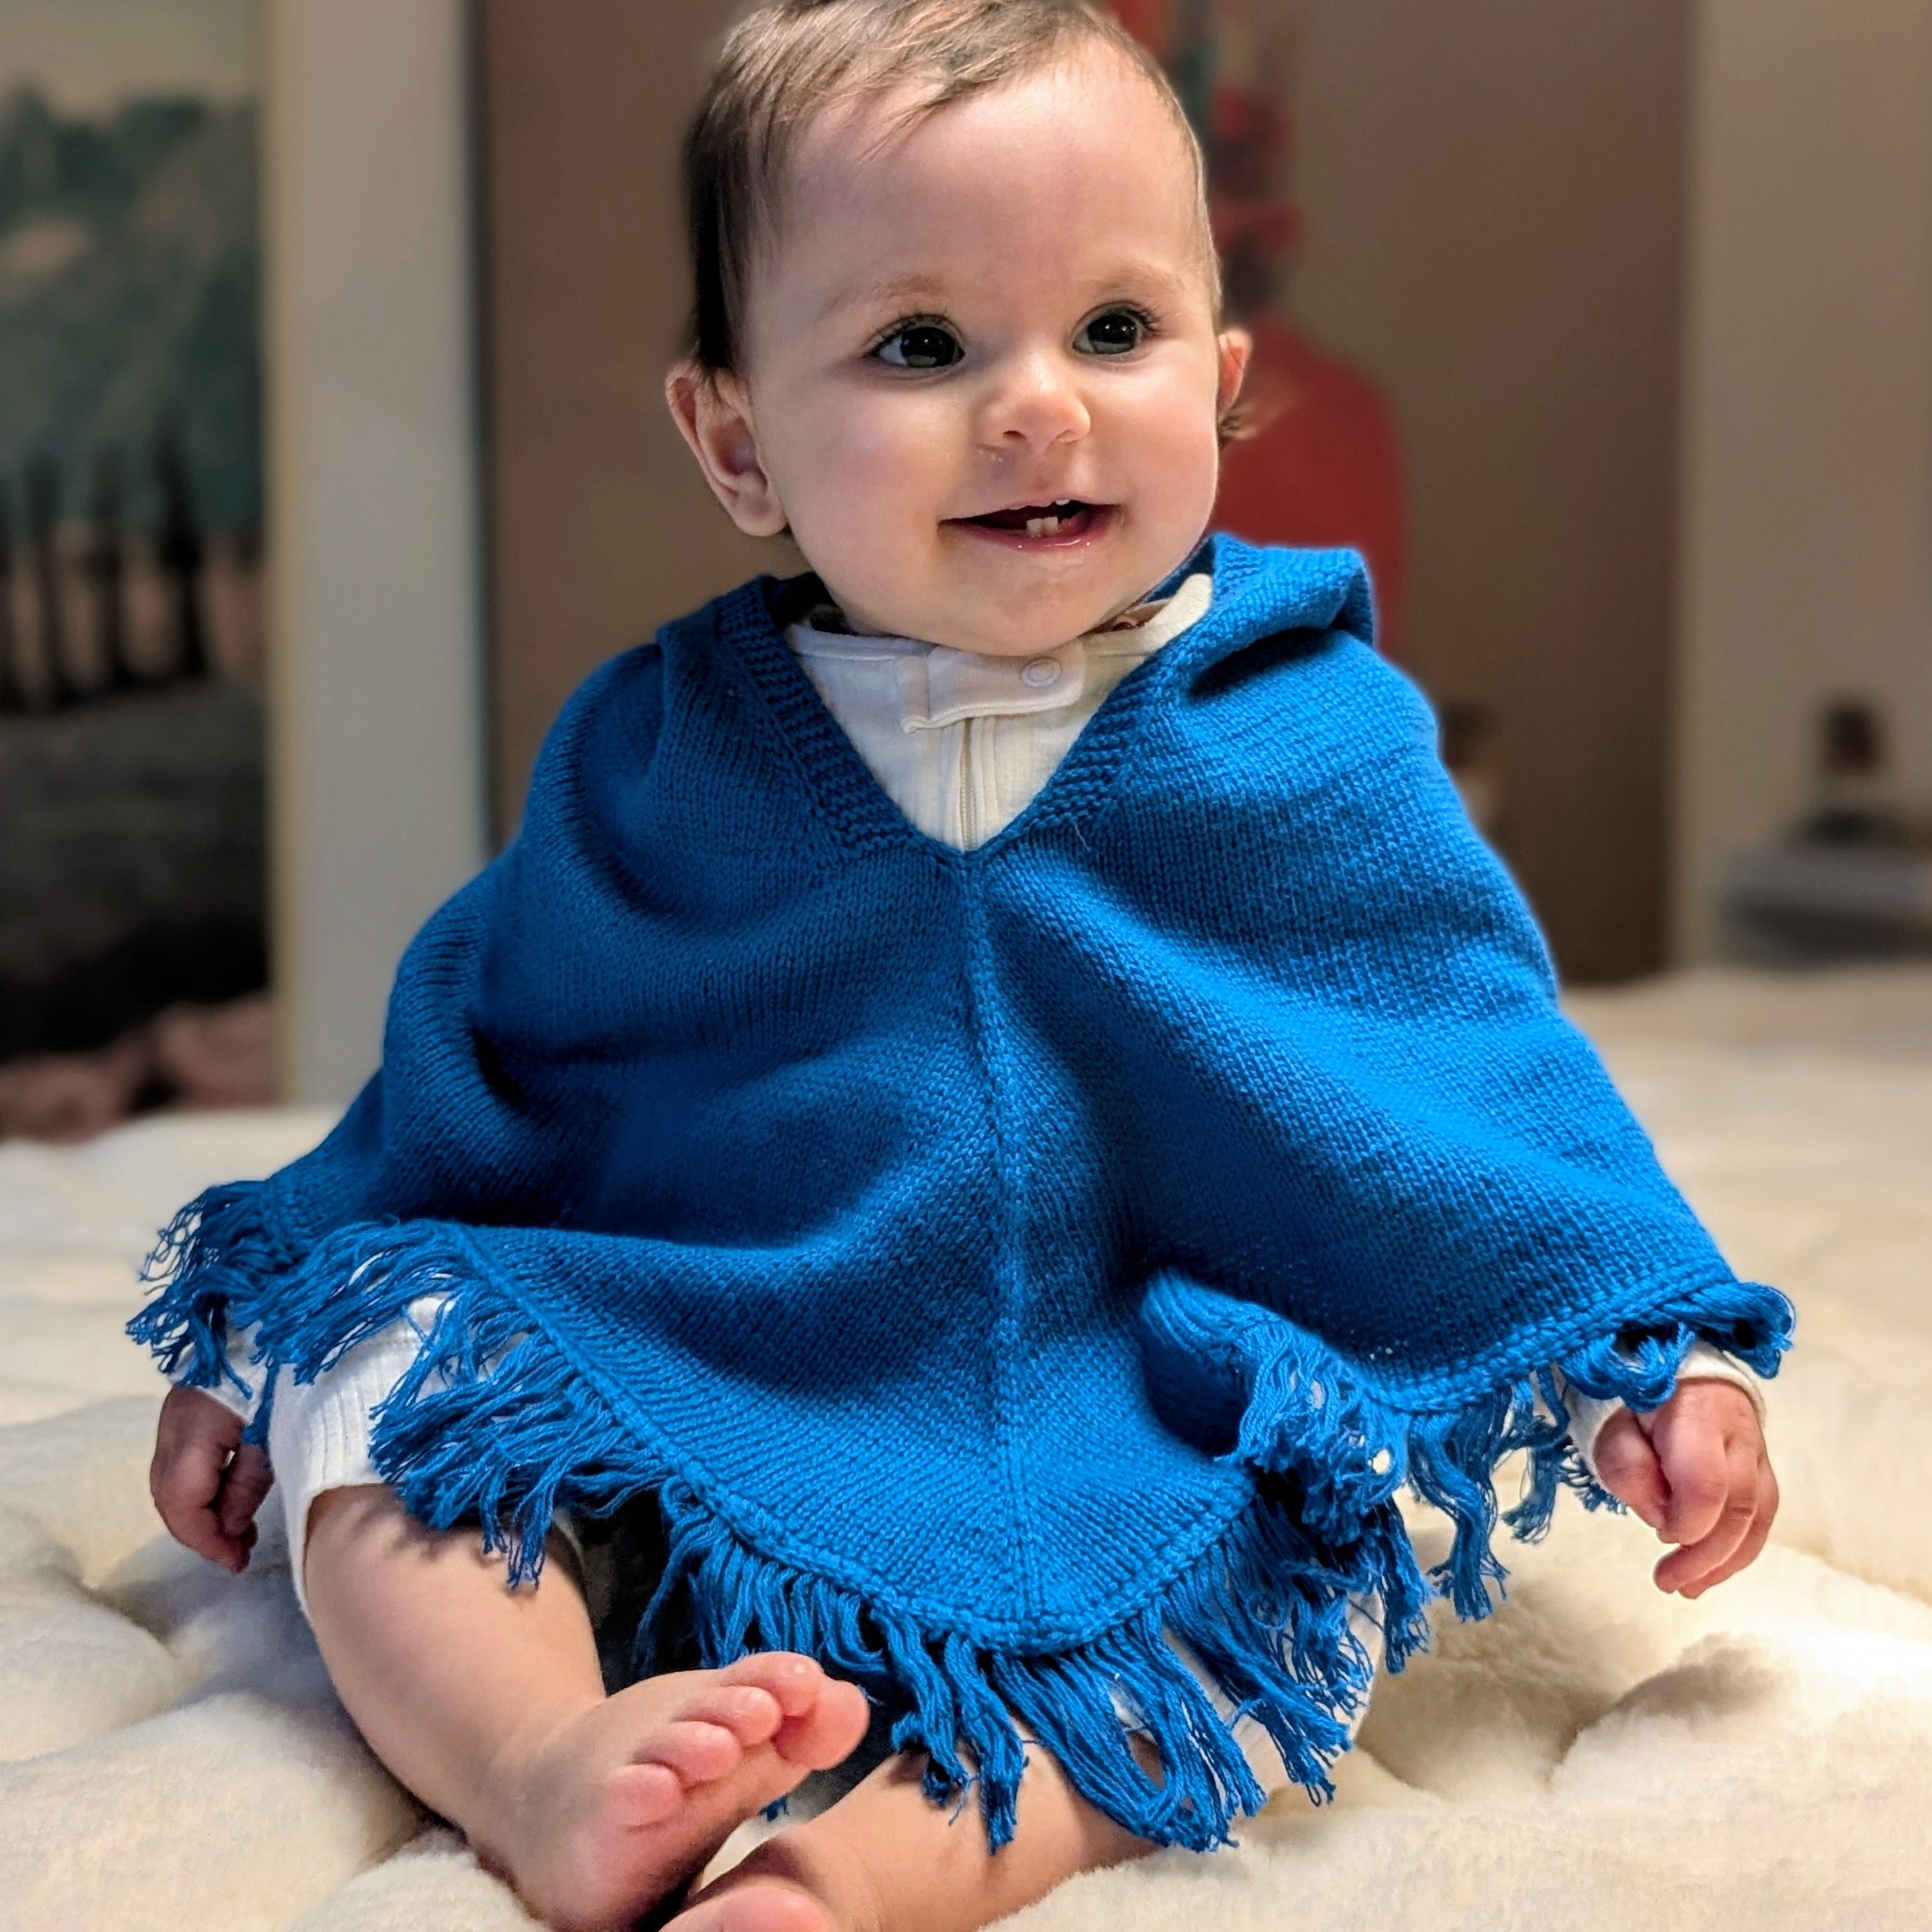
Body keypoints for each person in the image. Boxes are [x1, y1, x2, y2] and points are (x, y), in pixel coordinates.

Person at [134, 6, 1788, 1930]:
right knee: (391, 1379)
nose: (1038, 408)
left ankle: (854, 1877)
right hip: (704, 1342)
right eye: (923, 346)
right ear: (736, 440)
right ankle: (542, 1764)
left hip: (1147, 1384)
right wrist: (257, 1337)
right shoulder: (664, 751)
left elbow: (1463, 1077)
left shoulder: (1309, 741)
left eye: (1114, 329)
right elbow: (486, 1057)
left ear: (1222, 383)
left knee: (1295, 1584)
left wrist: (1635, 1365)